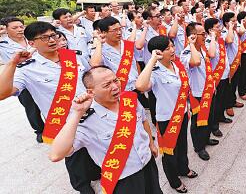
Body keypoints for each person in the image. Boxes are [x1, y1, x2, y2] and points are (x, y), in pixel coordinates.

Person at [0, 21, 100, 193]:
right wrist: (12, 64)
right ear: (31, 43)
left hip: (91, 112)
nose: (52, 40)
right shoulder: (27, 69)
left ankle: (96, 172)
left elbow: (90, 78)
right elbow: (3, 93)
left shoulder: (72, 56)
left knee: (95, 147)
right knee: (73, 155)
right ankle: (82, 186)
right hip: (65, 120)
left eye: (53, 35)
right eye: (44, 37)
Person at [49, 66, 162, 194]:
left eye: (116, 80)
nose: (115, 87)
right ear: (91, 92)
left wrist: (151, 144)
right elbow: (55, 155)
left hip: (148, 163)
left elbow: (143, 120)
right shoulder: (86, 121)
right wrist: (76, 113)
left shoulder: (129, 99)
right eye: (107, 84)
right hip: (123, 178)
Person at [136, 36, 198, 193]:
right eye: (167, 48)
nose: (172, 50)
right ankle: (174, 180)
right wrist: (151, 61)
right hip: (167, 119)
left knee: (182, 144)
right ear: (157, 52)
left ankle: (183, 168)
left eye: (172, 46)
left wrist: (188, 107)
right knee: (170, 150)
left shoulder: (177, 65)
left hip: (182, 113)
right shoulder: (155, 72)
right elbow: (141, 86)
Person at [0, 17, 44, 142]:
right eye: (14, 28)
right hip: (21, 79)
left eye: (21, 27)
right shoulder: (3, 44)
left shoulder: (32, 39)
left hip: (41, 75)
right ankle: (40, 130)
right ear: (5, 29)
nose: (19, 30)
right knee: (31, 107)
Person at [180, 22, 219, 161]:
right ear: (193, 36)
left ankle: (206, 138)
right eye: (202, 34)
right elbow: (195, 62)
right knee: (198, 122)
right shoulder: (186, 52)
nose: (205, 36)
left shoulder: (202, 49)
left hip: (208, 89)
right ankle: (199, 146)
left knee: (209, 118)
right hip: (197, 93)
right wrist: (191, 44)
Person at [204, 18, 231, 138]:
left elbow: (229, 41)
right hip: (216, 76)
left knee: (222, 98)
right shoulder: (209, 41)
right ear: (210, 30)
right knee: (215, 103)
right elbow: (212, 55)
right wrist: (213, 37)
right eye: (217, 27)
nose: (220, 29)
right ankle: (214, 126)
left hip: (224, 74)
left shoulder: (220, 39)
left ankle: (221, 117)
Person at [221, 12, 244, 117]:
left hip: (237, 61)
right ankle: (228, 105)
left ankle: (233, 100)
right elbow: (229, 41)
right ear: (226, 23)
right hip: (229, 63)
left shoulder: (234, 31)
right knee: (228, 86)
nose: (235, 23)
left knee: (234, 83)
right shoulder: (224, 32)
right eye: (233, 21)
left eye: (235, 21)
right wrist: (230, 27)